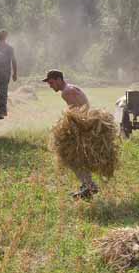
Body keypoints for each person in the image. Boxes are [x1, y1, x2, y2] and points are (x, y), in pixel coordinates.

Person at [42, 69, 98, 198]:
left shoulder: (67, 92)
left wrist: (69, 127)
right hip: (85, 126)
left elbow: (78, 112)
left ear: (59, 80)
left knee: (70, 157)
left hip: (83, 128)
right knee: (78, 158)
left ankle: (89, 185)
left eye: (51, 82)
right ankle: (87, 186)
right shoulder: (70, 88)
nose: (50, 86)